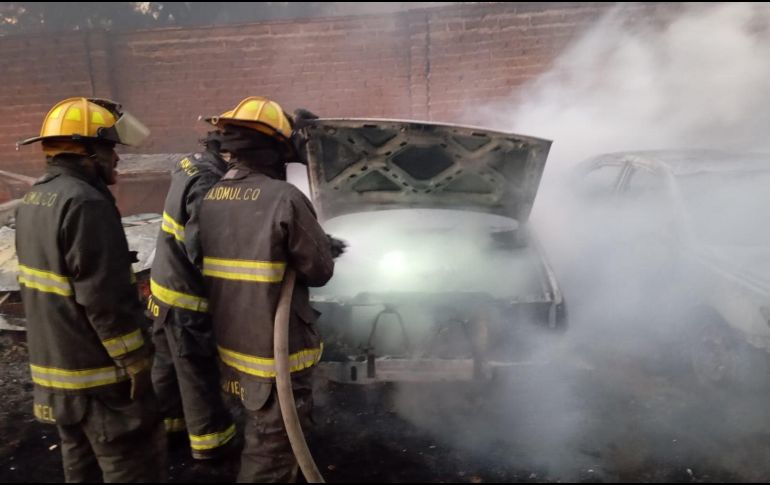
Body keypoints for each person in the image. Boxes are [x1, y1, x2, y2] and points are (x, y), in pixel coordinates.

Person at [15, 97, 165, 482]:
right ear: (87, 151)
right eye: (110, 149)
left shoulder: (35, 198)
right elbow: (104, 299)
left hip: (57, 372)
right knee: (129, 464)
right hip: (98, 375)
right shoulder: (86, 203)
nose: (116, 159)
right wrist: (135, 362)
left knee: (79, 466)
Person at [198, 96, 343, 482]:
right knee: (271, 454)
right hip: (274, 358)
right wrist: (323, 246)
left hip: (232, 351)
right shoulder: (285, 198)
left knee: (258, 432)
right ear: (277, 150)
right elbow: (319, 271)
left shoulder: (211, 197)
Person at [148, 130, 236, 459]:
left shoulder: (189, 164)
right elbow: (206, 253)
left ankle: (166, 434)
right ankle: (211, 447)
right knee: (197, 373)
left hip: (164, 290)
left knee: (168, 368)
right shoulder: (208, 184)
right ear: (228, 152)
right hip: (186, 300)